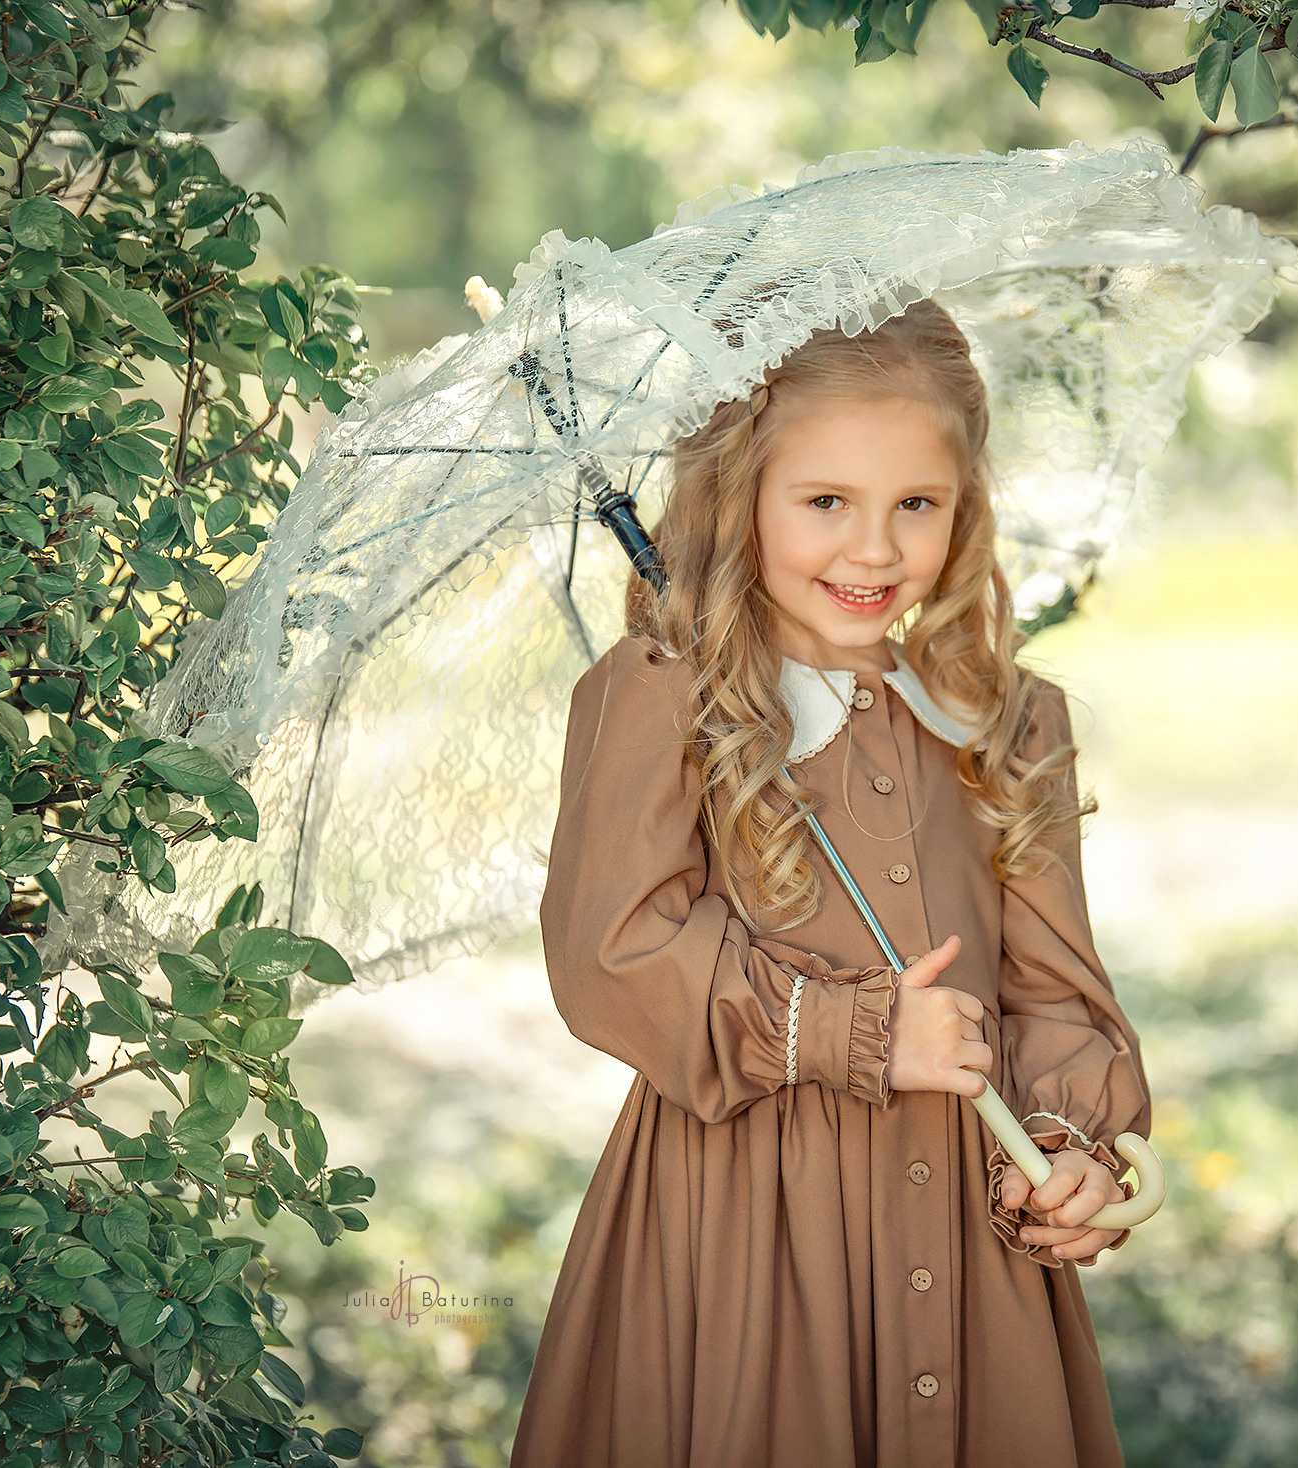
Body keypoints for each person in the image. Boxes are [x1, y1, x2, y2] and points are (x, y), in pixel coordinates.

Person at [507, 297, 1154, 1467]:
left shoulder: (1003, 725)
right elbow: (612, 954)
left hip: (968, 1249)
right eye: (824, 503)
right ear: (736, 497)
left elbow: (1059, 997)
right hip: (740, 1238)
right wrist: (855, 1032)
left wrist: (1064, 1149)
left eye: (917, 504)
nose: (874, 551)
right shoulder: (665, 699)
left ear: (964, 508)